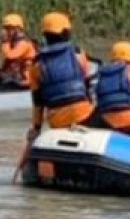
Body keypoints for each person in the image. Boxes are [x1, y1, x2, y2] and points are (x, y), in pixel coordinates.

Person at [25, 11, 95, 142]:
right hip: (84, 115)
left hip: (57, 121)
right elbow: (87, 89)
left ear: (45, 35)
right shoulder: (79, 55)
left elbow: (38, 103)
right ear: (65, 33)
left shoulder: (36, 65)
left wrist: (36, 128)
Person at [0, 12, 37, 87]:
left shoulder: (24, 43)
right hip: (17, 78)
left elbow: (10, 56)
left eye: (9, 28)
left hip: (27, 80)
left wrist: (5, 41)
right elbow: (7, 61)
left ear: (18, 29)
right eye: (6, 28)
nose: (7, 31)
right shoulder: (12, 43)